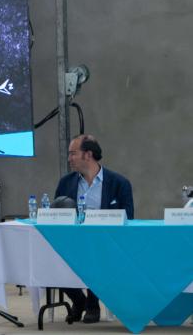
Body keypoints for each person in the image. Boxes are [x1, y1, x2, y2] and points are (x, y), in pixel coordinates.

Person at [55, 134, 134, 324]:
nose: (69, 158)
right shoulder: (65, 183)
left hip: (107, 243)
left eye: (73, 153)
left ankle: (92, 303)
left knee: (96, 252)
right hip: (73, 241)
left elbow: (128, 218)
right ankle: (78, 299)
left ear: (88, 155)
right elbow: (55, 216)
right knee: (46, 253)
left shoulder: (119, 183)